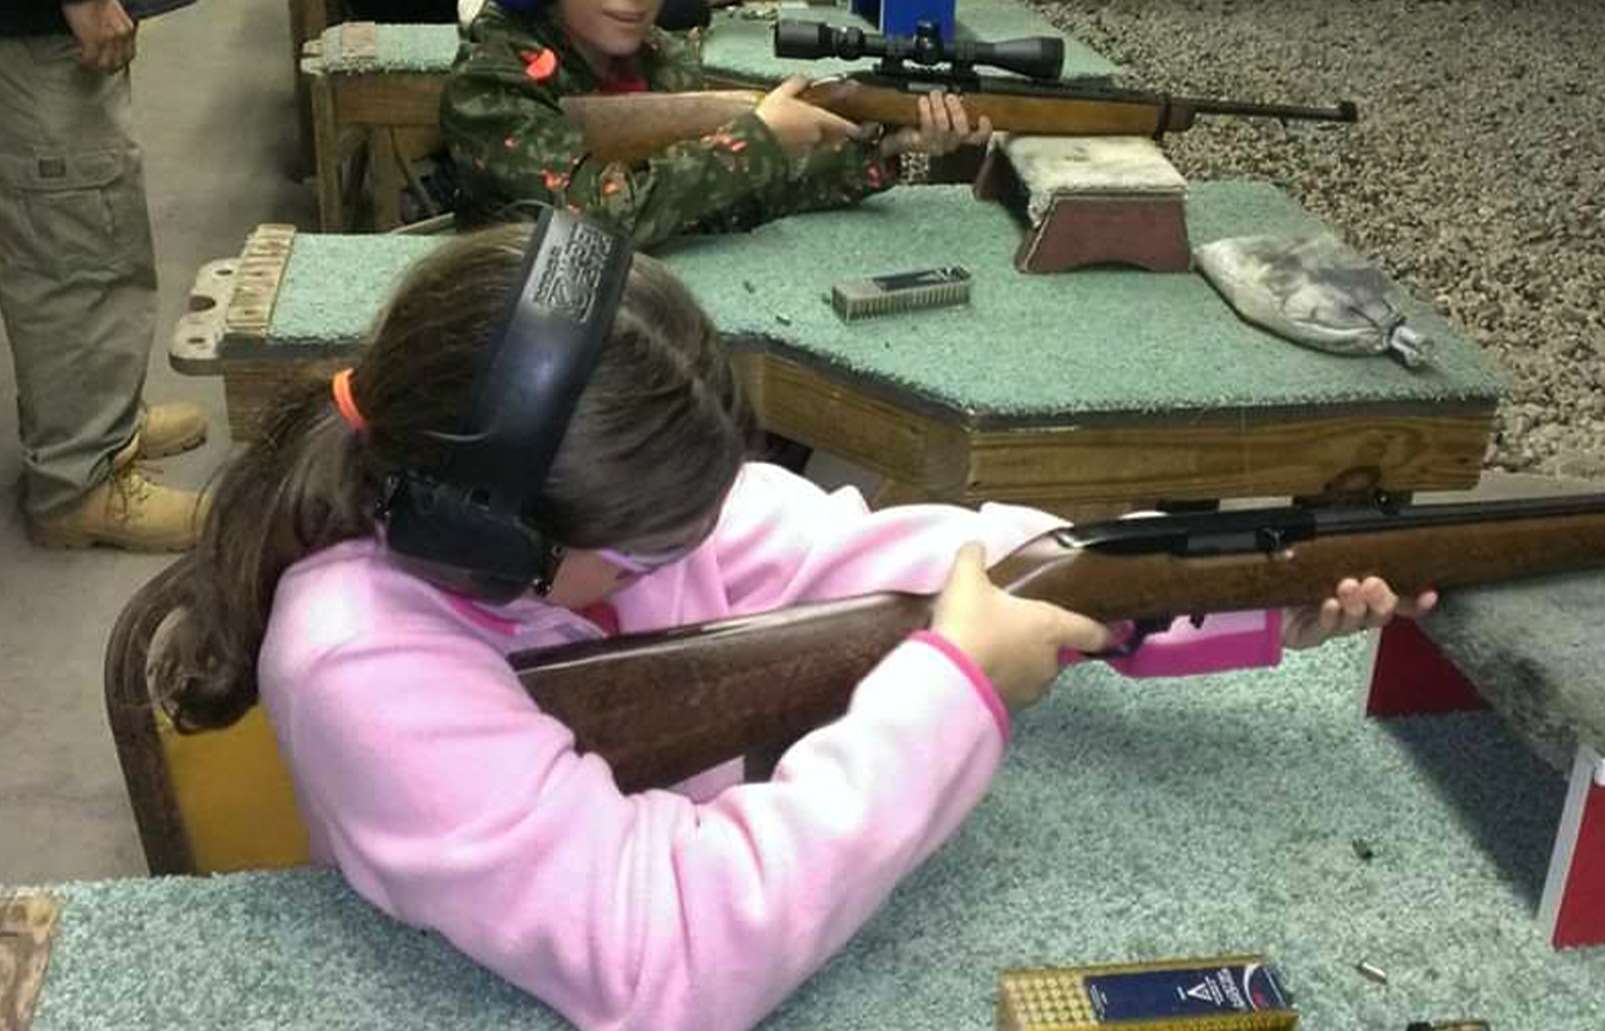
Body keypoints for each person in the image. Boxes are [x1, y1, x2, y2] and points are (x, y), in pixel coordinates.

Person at [169, 221, 1434, 1030]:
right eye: (650, 549)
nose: (688, 556)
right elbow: (669, 955)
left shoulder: (588, 501)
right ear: (497, 539)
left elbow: (925, 557)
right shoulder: (358, 663)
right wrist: (954, 692)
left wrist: (1204, 587)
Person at [441, 0, 987, 248]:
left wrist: (880, 149)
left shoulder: (662, 58)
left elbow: (728, 198)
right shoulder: (491, 85)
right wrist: (758, 139)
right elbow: (597, 218)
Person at [0, 0, 210, 551]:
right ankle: (79, 481)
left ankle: (97, 422)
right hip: (38, 30)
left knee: (55, 226)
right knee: (75, 247)